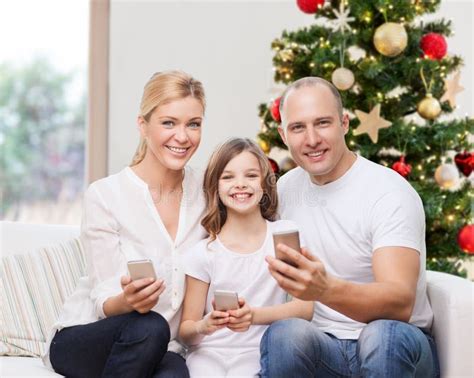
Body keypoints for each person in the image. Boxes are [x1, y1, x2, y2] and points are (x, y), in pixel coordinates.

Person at [260, 77, 439, 377]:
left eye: (323, 123)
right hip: (326, 348)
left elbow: (399, 304)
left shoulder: (387, 191)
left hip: (397, 345)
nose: (312, 139)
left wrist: (326, 289)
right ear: (283, 134)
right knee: (285, 334)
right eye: (298, 127)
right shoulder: (286, 188)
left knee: (381, 336)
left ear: (344, 123)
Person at [43, 70, 207, 378]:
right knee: (150, 326)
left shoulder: (208, 192)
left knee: (175, 373)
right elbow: (104, 299)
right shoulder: (105, 195)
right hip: (89, 335)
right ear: (143, 126)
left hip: (163, 346)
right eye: (168, 123)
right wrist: (127, 300)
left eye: (193, 124)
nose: (182, 137)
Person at [178, 138, 313, 377]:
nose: (240, 185)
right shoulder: (203, 253)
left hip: (257, 352)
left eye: (251, 175)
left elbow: (305, 308)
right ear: (215, 188)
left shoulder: (283, 235)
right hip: (208, 353)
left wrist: (253, 317)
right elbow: (187, 330)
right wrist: (204, 325)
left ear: (264, 183)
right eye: (228, 177)